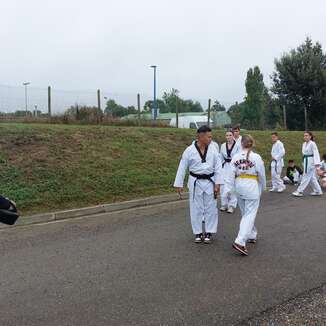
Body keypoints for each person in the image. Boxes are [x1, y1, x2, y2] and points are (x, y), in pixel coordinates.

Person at [174, 125, 222, 244]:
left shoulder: (213, 149)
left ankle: (209, 231)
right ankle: (198, 232)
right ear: (201, 137)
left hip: (210, 181)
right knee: (196, 208)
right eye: (209, 137)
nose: (211, 139)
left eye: (211, 137)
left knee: (211, 208)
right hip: (195, 181)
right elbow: (182, 167)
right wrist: (179, 184)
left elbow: (218, 167)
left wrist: (218, 183)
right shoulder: (189, 150)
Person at [224, 135, 266, 256]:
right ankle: (240, 241)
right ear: (252, 144)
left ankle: (252, 234)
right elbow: (261, 175)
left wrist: (228, 189)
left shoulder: (235, 157)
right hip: (251, 186)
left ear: (241, 144)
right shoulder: (256, 157)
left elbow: (230, 174)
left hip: (239, 186)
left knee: (245, 213)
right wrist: (262, 187)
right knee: (249, 214)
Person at [292, 131, 323, 197]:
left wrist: (317, 167)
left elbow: (316, 154)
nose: (305, 137)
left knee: (305, 176)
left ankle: (299, 191)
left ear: (310, 136)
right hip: (306, 161)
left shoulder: (312, 143)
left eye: (306, 135)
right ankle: (318, 191)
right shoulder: (304, 144)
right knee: (312, 177)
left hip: (311, 162)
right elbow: (304, 154)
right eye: (304, 136)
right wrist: (303, 162)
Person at [219, 129, 240, 213]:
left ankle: (231, 205)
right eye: (227, 135)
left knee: (232, 187)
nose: (228, 137)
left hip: (233, 167)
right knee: (223, 186)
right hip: (224, 167)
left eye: (230, 135)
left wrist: (237, 170)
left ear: (233, 136)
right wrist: (219, 168)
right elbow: (220, 157)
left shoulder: (237, 146)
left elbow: (239, 158)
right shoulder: (223, 145)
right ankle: (224, 204)